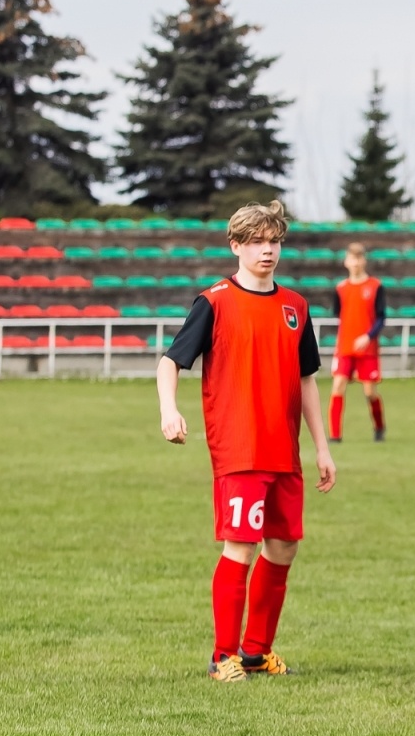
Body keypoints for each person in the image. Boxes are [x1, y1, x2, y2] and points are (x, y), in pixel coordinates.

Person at [156, 200, 337, 682]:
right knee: (241, 547)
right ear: (235, 245)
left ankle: (257, 652)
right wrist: (169, 410)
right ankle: (223, 656)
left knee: (282, 549)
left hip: (285, 450)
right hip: (239, 447)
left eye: (274, 241)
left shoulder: (295, 306)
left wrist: (321, 446)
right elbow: (170, 362)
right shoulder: (213, 301)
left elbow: (307, 380)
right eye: (256, 241)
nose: (267, 250)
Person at [328, 242, 388, 443]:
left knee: (370, 391)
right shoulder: (340, 288)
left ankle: (379, 427)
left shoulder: (375, 286)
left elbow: (381, 318)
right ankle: (335, 436)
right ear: (346, 262)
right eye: (352, 258)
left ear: (364, 261)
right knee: (337, 386)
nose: (355, 262)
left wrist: (367, 336)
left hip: (368, 349)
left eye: (358, 258)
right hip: (344, 347)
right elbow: (338, 314)